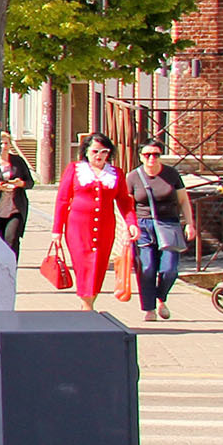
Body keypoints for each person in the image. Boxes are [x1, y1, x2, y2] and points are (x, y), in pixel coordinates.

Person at [50, 132, 136, 312]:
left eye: (104, 152)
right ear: (87, 152)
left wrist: (131, 223)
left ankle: (89, 303)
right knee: (84, 264)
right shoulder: (75, 170)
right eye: (95, 151)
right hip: (78, 227)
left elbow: (124, 201)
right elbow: (63, 200)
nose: (99, 155)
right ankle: (87, 306)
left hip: (105, 227)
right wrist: (57, 230)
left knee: (99, 264)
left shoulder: (116, 173)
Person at [125, 140, 200, 321]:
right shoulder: (133, 177)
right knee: (147, 268)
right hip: (143, 226)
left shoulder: (171, 174)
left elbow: (183, 200)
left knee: (170, 268)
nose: (152, 158)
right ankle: (149, 308)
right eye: (147, 155)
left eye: (156, 154)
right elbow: (127, 206)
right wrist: (128, 227)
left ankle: (161, 297)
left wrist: (190, 224)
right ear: (141, 157)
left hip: (169, 224)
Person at [0, 144, 34, 263]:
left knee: (11, 239)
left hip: (15, 208)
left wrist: (20, 183)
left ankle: (11, 266)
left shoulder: (18, 161)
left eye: (6, 143)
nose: (4, 146)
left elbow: (30, 182)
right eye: (1, 143)